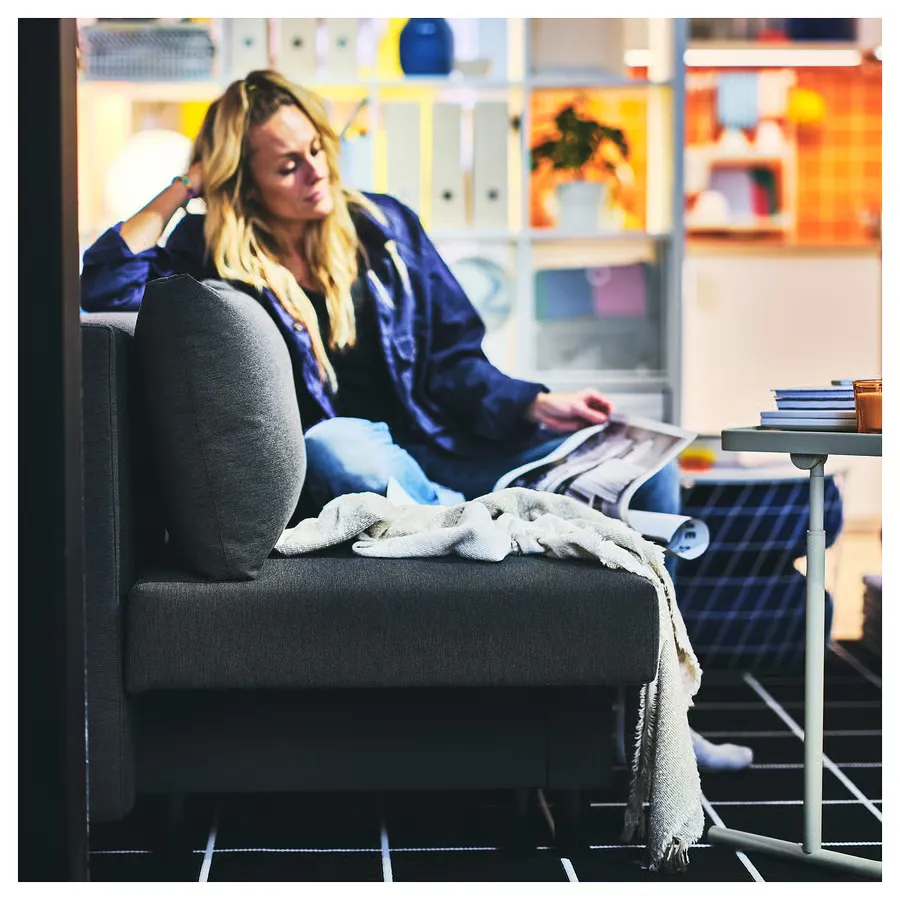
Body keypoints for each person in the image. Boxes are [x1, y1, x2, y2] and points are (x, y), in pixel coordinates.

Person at [80, 69, 751, 772]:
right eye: (287, 165)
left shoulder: (386, 227)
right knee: (338, 443)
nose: (316, 171)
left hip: (437, 457)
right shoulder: (206, 248)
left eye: (317, 149)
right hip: (348, 472)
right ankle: (501, 526)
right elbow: (105, 286)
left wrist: (532, 403)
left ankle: (661, 718)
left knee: (648, 470)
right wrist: (184, 187)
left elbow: (455, 361)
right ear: (240, 180)